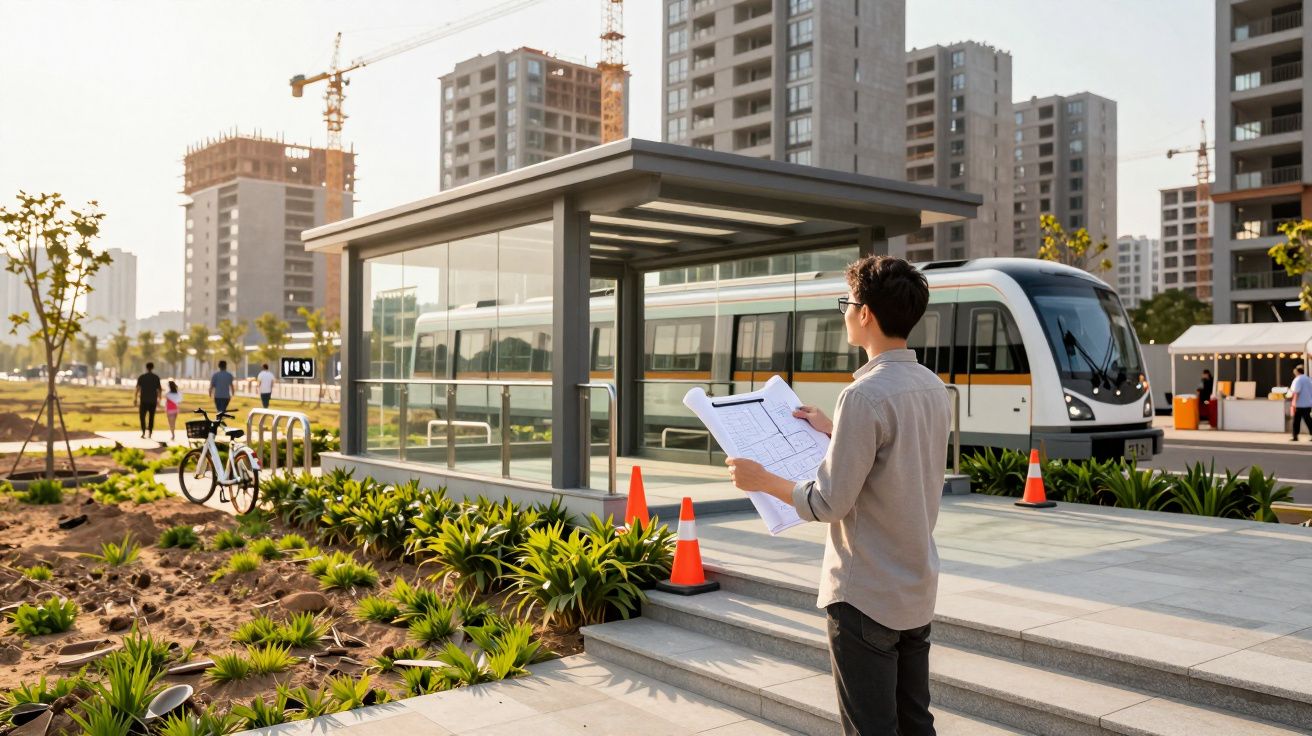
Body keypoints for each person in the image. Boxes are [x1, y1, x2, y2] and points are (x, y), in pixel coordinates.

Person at [725, 255, 948, 736]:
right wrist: (834, 431)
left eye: (847, 303)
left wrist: (761, 479)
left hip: (864, 592)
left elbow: (827, 503)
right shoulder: (932, 387)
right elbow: (897, 465)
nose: (845, 311)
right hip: (915, 586)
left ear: (865, 313)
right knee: (915, 724)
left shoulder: (865, 396)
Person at [133, 362, 162, 439]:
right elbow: (159, 390)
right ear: (152, 367)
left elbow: (137, 389)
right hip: (153, 400)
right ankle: (150, 432)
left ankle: (143, 432)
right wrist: (159, 399)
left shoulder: (142, 377)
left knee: (142, 416)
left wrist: (135, 398)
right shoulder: (156, 377)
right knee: (151, 417)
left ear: (146, 367)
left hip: (143, 400)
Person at [1290, 365, 1312, 442]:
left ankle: (1295, 435)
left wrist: (1293, 403)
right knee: (1308, 420)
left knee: (1296, 421)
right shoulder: (1309, 379)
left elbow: (1296, 391)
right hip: (1308, 403)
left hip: (1299, 404)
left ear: (1297, 372)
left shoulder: (1298, 380)